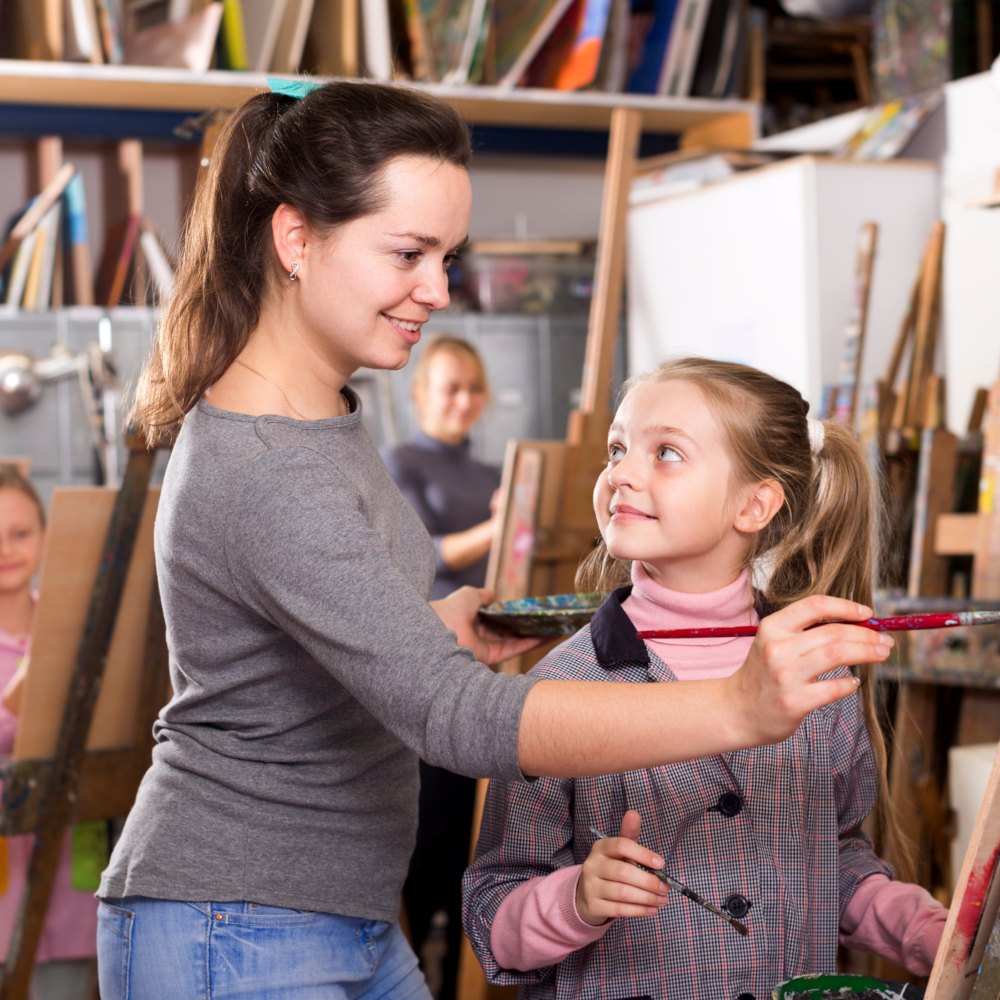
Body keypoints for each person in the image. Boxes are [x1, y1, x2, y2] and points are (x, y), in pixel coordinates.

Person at [96, 80, 898, 1000]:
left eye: (447, 256)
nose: (438, 289)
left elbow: (296, 655)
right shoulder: (270, 461)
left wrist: (428, 628)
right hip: (229, 921)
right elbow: (459, 719)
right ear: (295, 240)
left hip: (329, 915)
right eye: (408, 252)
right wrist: (739, 709)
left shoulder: (323, 415)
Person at [463, 356, 948, 1000]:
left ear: (755, 504)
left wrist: (926, 931)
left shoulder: (815, 675)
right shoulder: (559, 689)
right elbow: (491, 915)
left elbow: (827, 864)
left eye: (664, 453)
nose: (620, 474)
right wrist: (576, 899)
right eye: (617, 449)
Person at [382, 336, 500, 1000]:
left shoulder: (489, 476)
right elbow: (426, 556)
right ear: (419, 393)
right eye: (449, 387)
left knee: (470, 845)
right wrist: (509, 519)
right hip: (426, 678)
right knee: (424, 845)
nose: (462, 401)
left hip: (487, 678)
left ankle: (464, 978)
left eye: (473, 389)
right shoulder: (398, 462)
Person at [0, 465, 100, 999]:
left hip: (73, 864)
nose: (7, 551)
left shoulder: (75, 625)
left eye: (19, 534)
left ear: (43, 536)